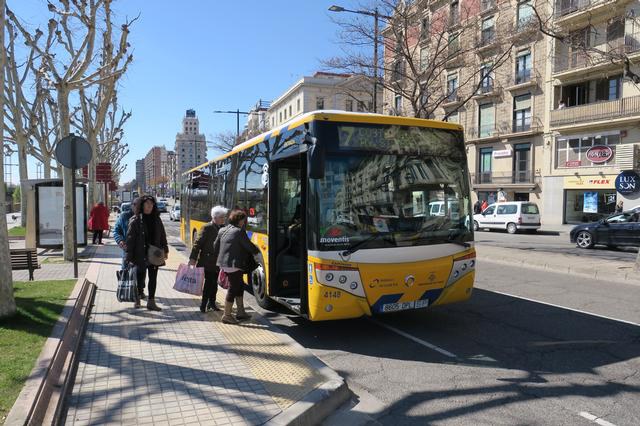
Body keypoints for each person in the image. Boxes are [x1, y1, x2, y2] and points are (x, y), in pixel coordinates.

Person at [213, 209, 261, 324]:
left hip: (224, 264)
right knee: (233, 288)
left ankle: (240, 312)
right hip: (234, 264)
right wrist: (257, 251)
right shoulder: (239, 232)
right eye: (243, 220)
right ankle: (227, 315)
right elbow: (249, 246)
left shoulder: (222, 230)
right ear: (239, 220)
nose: (244, 222)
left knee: (239, 286)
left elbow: (215, 246)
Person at [125, 195, 168, 311]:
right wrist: (128, 256)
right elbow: (130, 239)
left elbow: (162, 235)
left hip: (155, 253)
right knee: (140, 277)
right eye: (147, 204)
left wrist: (165, 250)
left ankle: (151, 302)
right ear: (142, 205)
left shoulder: (157, 219)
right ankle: (138, 298)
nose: (150, 206)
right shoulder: (135, 220)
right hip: (140, 253)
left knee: (153, 278)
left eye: (151, 204)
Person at [189, 205, 228, 313]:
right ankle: (203, 304)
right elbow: (197, 244)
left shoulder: (223, 228)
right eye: (221, 217)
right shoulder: (207, 227)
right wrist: (193, 258)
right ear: (214, 217)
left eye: (224, 217)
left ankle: (212, 303)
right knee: (208, 284)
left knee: (214, 284)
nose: (223, 219)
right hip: (207, 261)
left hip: (218, 262)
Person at [114, 197, 139, 270]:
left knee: (139, 274)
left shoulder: (145, 217)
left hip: (141, 252)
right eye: (135, 204)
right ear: (131, 205)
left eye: (140, 205)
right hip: (127, 250)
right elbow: (116, 231)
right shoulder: (124, 216)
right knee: (125, 271)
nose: (137, 207)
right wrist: (120, 240)